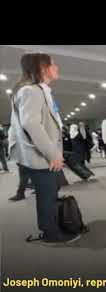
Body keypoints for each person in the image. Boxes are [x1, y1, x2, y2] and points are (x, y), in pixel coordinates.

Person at [8, 53, 81, 244]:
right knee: (47, 195)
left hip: (39, 154)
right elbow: (31, 124)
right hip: (39, 156)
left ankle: (52, 228)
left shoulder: (36, 90)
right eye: (53, 64)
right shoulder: (31, 91)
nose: (57, 67)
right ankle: (51, 234)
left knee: (48, 192)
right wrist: (52, 154)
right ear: (42, 67)